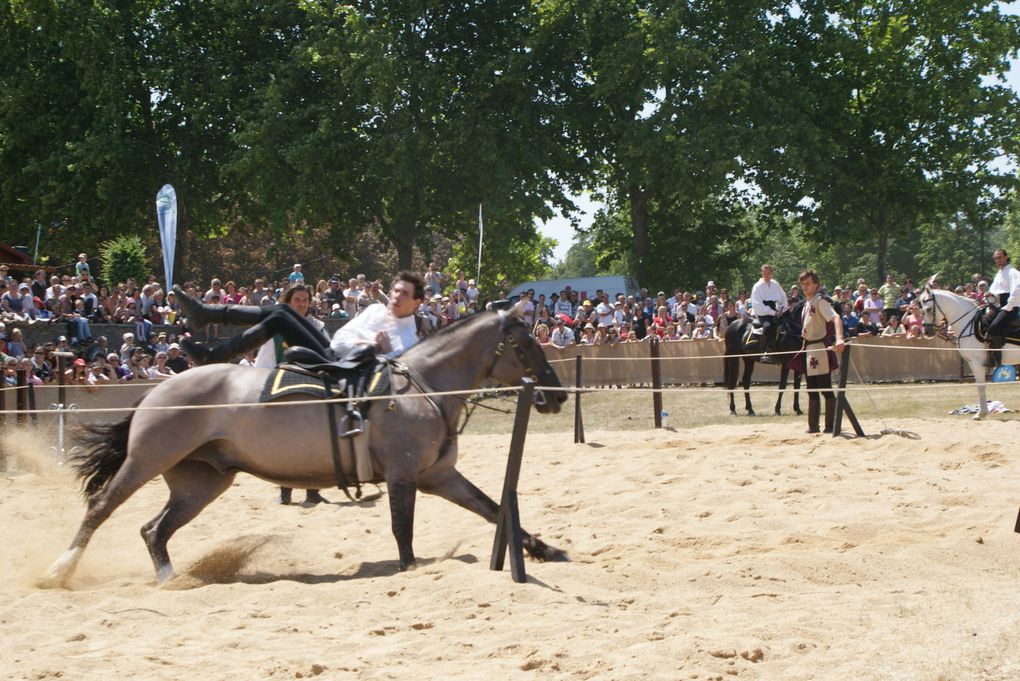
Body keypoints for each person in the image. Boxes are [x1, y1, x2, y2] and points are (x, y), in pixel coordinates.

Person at [791, 269, 845, 434]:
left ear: (817, 285)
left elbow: (835, 317)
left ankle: (831, 426)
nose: (805, 286)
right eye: (803, 284)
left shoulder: (820, 302)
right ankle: (813, 426)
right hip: (809, 349)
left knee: (825, 387)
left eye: (808, 283)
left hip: (820, 349)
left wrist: (840, 338)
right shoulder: (806, 305)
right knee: (811, 389)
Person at [985, 249, 1020, 367]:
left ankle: (997, 360)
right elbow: (994, 292)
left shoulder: (1012, 272)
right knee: (984, 321)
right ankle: (987, 354)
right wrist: (989, 294)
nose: (998, 260)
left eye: (1000, 257)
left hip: (1010, 307)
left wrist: (1008, 306)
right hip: (998, 306)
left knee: (994, 327)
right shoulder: (998, 274)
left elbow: (1017, 290)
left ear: (1006, 257)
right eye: (996, 258)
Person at [750, 264, 788, 362]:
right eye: (764, 273)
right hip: (763, 313)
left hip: (775, 311)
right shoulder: (757, 286)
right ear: (762, 273)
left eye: (768, 273)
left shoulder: (775, 284)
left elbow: (783, 297)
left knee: (785, 325)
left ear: (771, 273)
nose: (766, 275)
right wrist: (773, 313)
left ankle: (780, 349)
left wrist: (781, 309)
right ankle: (764, 351)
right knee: (767, 326)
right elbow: (757, 305)